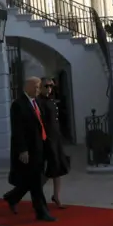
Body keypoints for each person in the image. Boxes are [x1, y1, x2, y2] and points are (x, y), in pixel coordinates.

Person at [3, 76, 56, 222]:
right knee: (37, 182)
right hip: (29, 149)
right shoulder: (18, 105)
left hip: (41, 146)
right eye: (36, 87)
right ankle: (41, 212)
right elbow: (17, 130)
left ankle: (12, 197)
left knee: (34, 179)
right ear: (27, 87)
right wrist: (22, 150)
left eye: (39, 87)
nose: (38, 89)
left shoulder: (37, 102)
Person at [37, 78, 70, 209]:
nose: (49, 88)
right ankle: (36, 191)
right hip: (48, 139)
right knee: (49, 169)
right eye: (47, 86)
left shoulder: (51, 101)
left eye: (51, 86)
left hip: (56, 138)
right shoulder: (39, 102)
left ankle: (56, 196)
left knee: (58, 168)